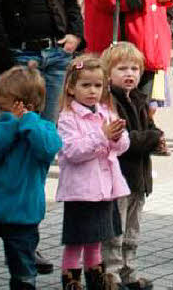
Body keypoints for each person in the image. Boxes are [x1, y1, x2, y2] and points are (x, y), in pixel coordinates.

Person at [0, 63, 62, 290]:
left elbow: (47, 148)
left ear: (26, 106)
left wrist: (28, 122)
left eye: (4, 108)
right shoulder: (3, 127)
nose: (1, 113)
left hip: (24, 215)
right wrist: (11, 124)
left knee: (23, 270)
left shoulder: (44, 129)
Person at [56, 54, 129, 290]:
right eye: (85, 85)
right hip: (81, 192)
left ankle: (96, 281)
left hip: (104, 189)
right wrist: (102, 135)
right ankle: (71, 282)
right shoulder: (68, 118)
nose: (92, 91)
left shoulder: (106, 112)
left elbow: (121, 147)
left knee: (96, 241)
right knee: (76, 241)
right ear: (70, 88)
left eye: (98, 85)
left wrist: (117, 138)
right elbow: (73, 151)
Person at [101, 41, 166, 290]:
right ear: (109, 74)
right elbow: (127, 139)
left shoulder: (139, 98)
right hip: (120, 178)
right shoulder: (110, 103)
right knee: (115, 232)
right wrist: (152, 138)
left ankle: (129, 270)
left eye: (134, 69)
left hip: (139, 178)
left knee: (132, 231)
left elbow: (148, 130)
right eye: (122, 69)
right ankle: (112, 275)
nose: (130, 74)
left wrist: (158, 138)